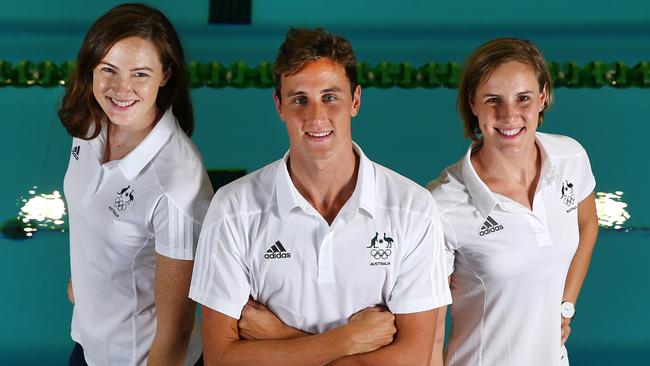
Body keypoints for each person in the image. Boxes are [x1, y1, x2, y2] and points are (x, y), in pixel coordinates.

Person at [189, 27, 451, 365]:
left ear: (355, 100)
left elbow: (412, 360)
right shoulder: (233, 209)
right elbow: (222, 359)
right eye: (300, 99)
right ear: (279, 105)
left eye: (330, 97)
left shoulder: (413, 209)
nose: (315, 117)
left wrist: (280, 339)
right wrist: (349, 339)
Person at [428, 38, 599, 366]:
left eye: (523, 98)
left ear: (543, 97)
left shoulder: (570, 157)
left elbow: (587, 224)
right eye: (493, 100)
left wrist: (566, 305)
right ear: (473, 103)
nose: (509, 115)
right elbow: (431, 327)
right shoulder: (443, 205)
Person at [59, 3, 213, 365]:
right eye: (108, 70)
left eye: (140, 74)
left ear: (165, 75)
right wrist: (87, 281)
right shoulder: (91, 123)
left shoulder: (176, 184)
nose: (120, 89)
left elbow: (176, 332)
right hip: (87, 343)